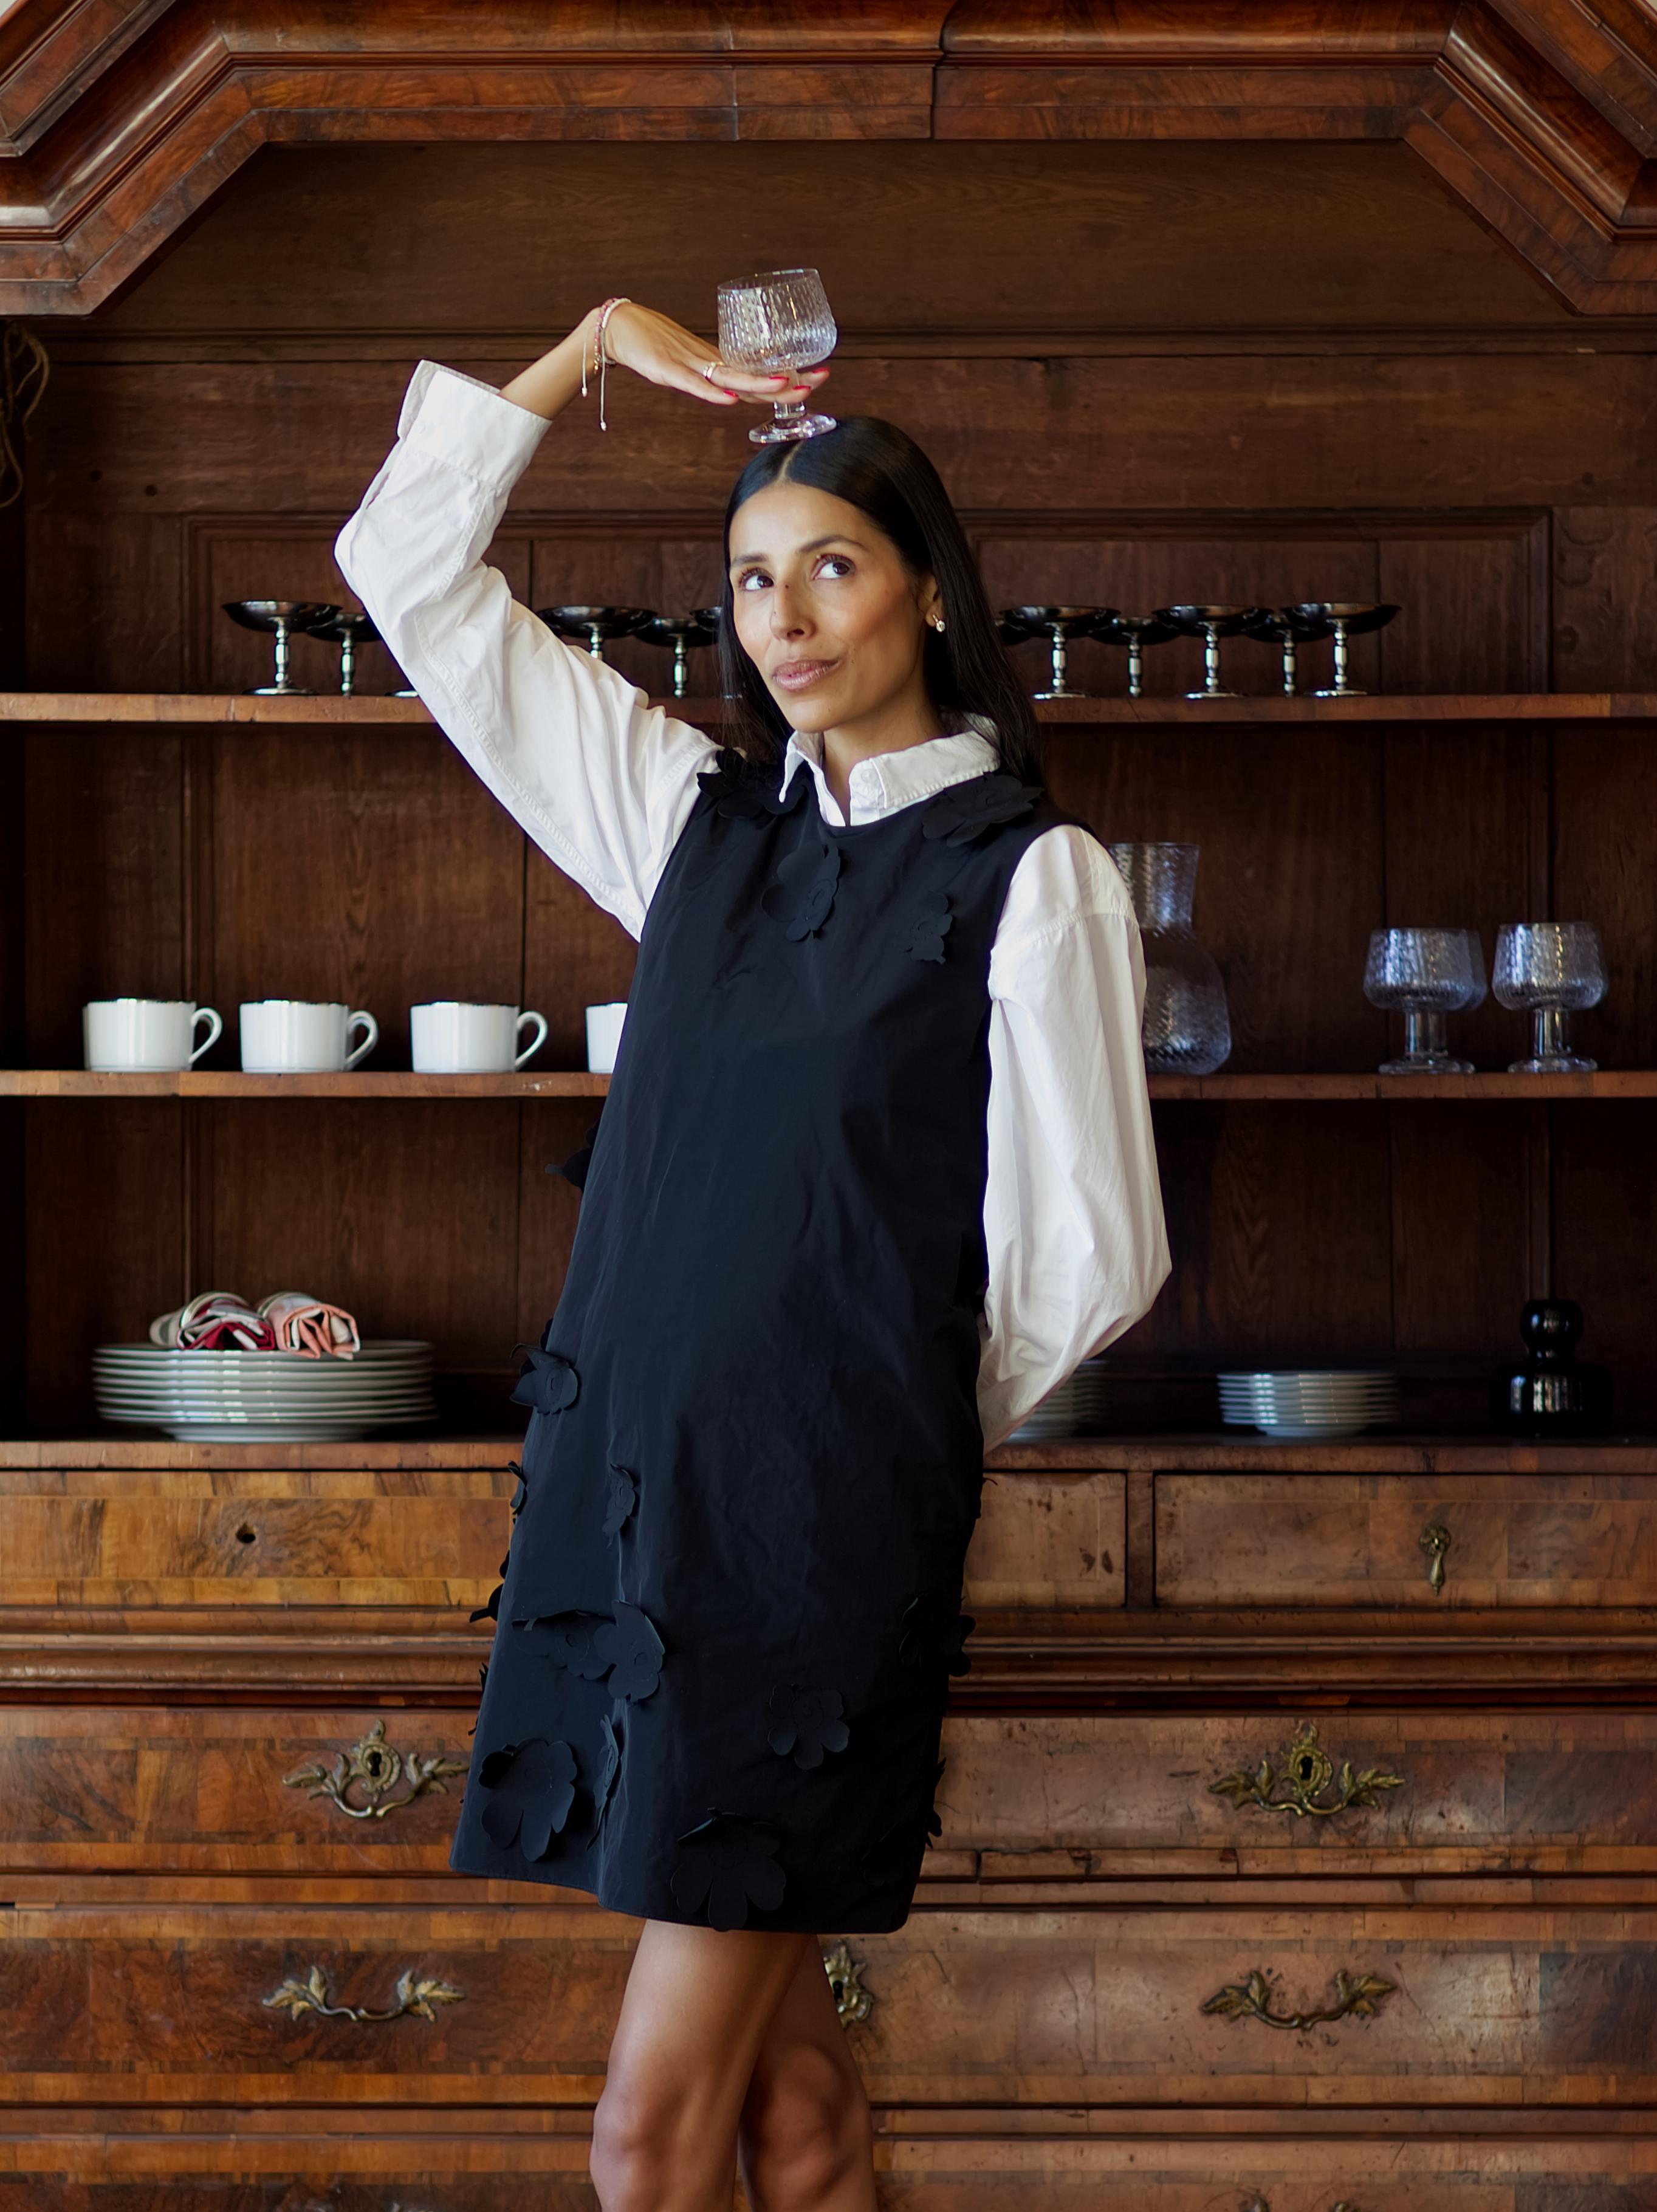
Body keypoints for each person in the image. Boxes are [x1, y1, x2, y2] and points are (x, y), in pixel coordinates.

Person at [334, 298, 1170, 2212]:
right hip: (627, 1514)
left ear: (929, 598)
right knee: (792, 2114)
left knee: (647, 2137)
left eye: (833, 569)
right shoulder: (685, 823)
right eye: (752, 581)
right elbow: (401, 566)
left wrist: (859, 1418)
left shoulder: (1036, 880)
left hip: (818, 1537)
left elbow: (1087, 1260)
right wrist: (588, 351)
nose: (784, 617)